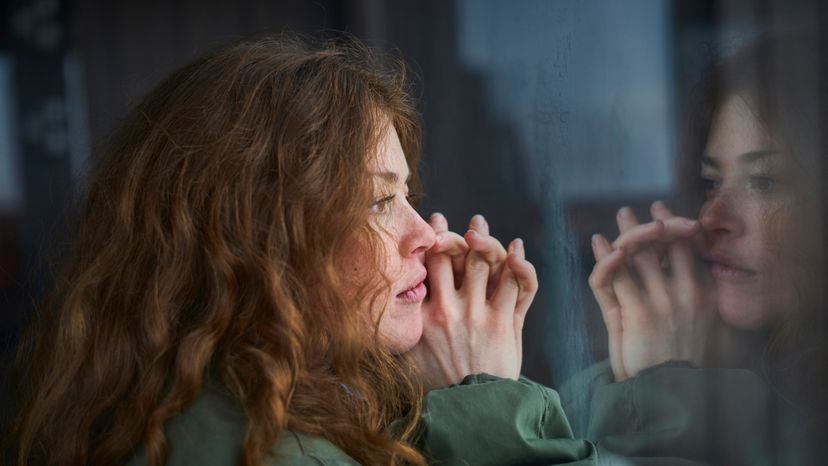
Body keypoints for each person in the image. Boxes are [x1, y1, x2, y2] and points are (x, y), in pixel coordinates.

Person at [3, 35, 597, 466]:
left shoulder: (207, 408)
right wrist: (488, 399)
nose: (429, 236)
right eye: (377, 203)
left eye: (408, 195)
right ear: (259, 241)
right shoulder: (269, 448)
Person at [566, 32, 828, 465]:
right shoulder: (728, 362)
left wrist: (666, 390)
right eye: (711, 183)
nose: (712, 218)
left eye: (763, 181)